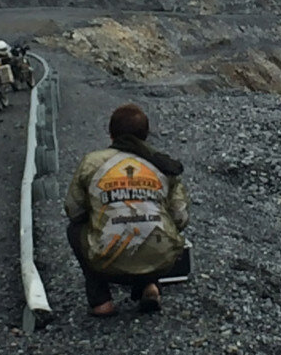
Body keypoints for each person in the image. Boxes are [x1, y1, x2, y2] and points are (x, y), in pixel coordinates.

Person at [65, 104, 189, 316]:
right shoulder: (162, 166)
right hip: (161, 262)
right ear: (146, 135)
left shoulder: (92, 162)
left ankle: (101, 301)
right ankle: (150, 285)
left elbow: (73, 210)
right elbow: (180, 218)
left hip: (107, 263)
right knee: (156, 225)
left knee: (74, 229)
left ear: (111, 135)